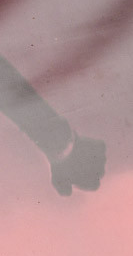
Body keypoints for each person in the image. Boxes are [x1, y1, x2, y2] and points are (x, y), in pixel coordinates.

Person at [0, 53, 104, 196]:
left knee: (19, 98)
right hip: (59, 141)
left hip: (60, 140)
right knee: (18, 98)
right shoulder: (64, 156)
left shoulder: (65, 154)